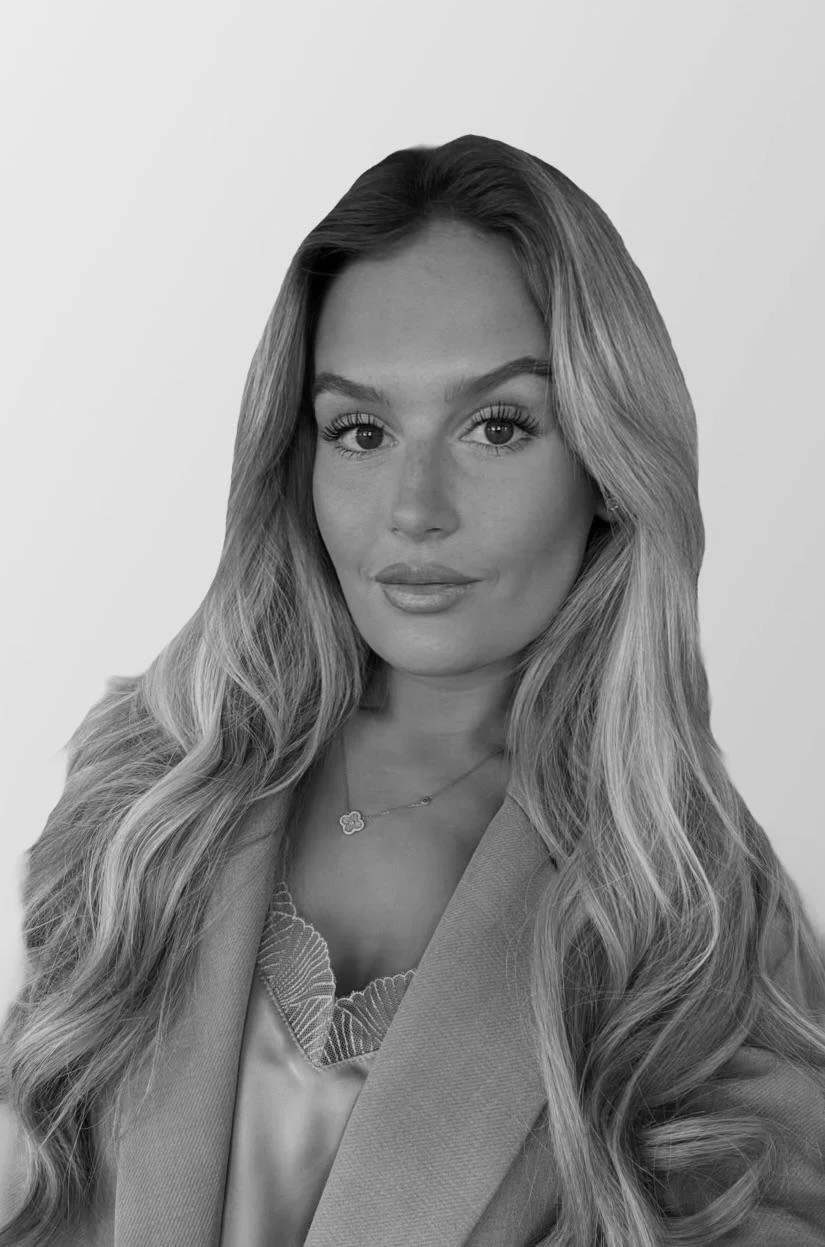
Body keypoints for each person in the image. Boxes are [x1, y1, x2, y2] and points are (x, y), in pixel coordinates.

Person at [1, 134, 824, 1247]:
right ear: (299, 464)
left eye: (497, 426)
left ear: (608, 464)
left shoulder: (697, 905)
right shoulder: (146, 793)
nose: (415, 507)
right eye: (362, 429)